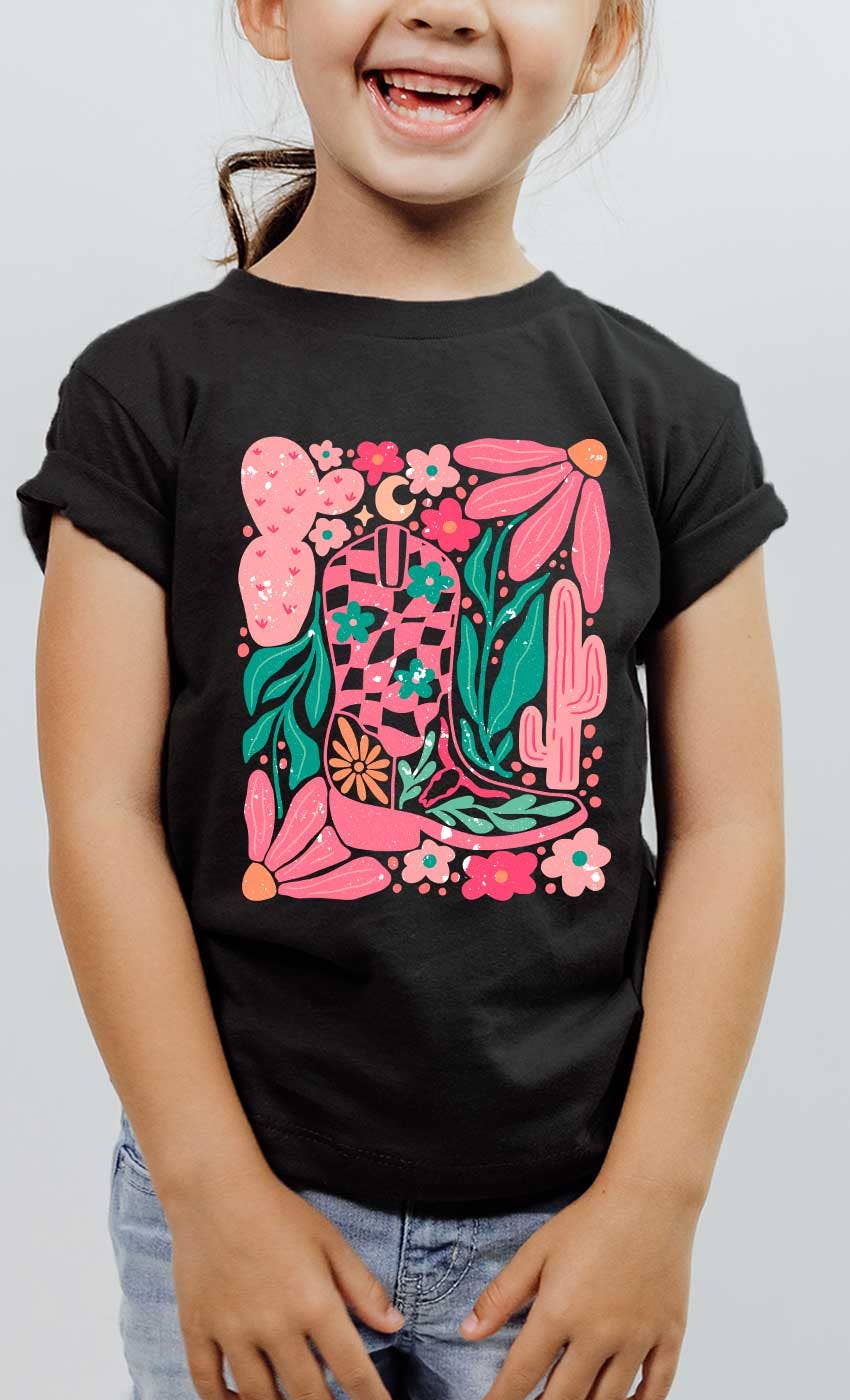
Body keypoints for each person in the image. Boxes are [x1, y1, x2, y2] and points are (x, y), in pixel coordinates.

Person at [14, 3, 790, 1399]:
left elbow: (731, 829)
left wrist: (654, 1201)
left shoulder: (666, 411)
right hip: (243, 1211)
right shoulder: (146, 394)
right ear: (268, 11)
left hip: (568, 1233)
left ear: (603, 39)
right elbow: (99, 815)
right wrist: (210, 1194)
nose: (443, 7)